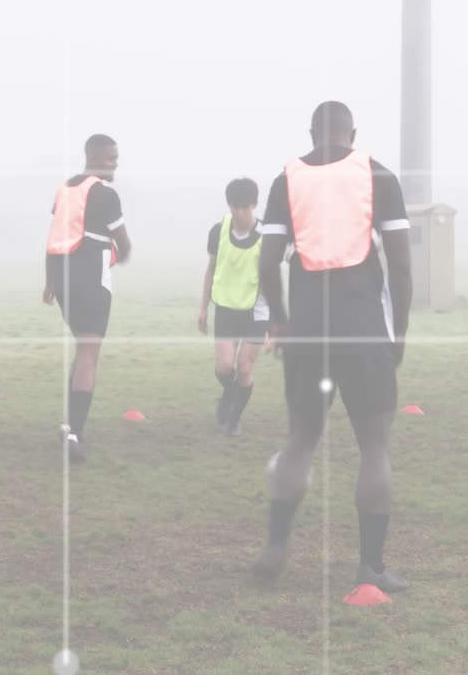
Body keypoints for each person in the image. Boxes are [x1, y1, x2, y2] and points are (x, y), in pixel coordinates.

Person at [251, 101, 414, 593]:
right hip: (363, 329)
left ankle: (276, 547)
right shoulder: (379, 176)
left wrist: (279, 319)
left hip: (305, 329)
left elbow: (267, 263)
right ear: (353, 133)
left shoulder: (286, 179)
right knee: (374, 444)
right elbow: (403, 266)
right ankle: (371, 567)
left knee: (301, 438)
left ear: (312, 133)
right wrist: (399, 329)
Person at [44, 134, 132, 464]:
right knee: (89, 355)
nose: (116, 164)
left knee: (82, 350)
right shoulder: (106, 194)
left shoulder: (65, 189)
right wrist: (123, 254)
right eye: (111, 158)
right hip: (91, 281)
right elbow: (124, 242)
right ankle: (74, 434)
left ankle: (68, 424)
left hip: (64, 280)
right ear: (93, 157)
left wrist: (49, 282)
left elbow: (52, 238)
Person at [198, 177, 270, 437]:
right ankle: (229, 395)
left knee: (245, 369)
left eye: (245, 207)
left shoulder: (267, 235)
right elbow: (211, 269)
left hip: (257, 311)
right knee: (225, 369)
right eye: (235, 207)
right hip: (227, 308)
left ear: (254, 205)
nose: (240, 213)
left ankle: (234, 420)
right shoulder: (218, 231)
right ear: (229, 206)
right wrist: (203, 307)